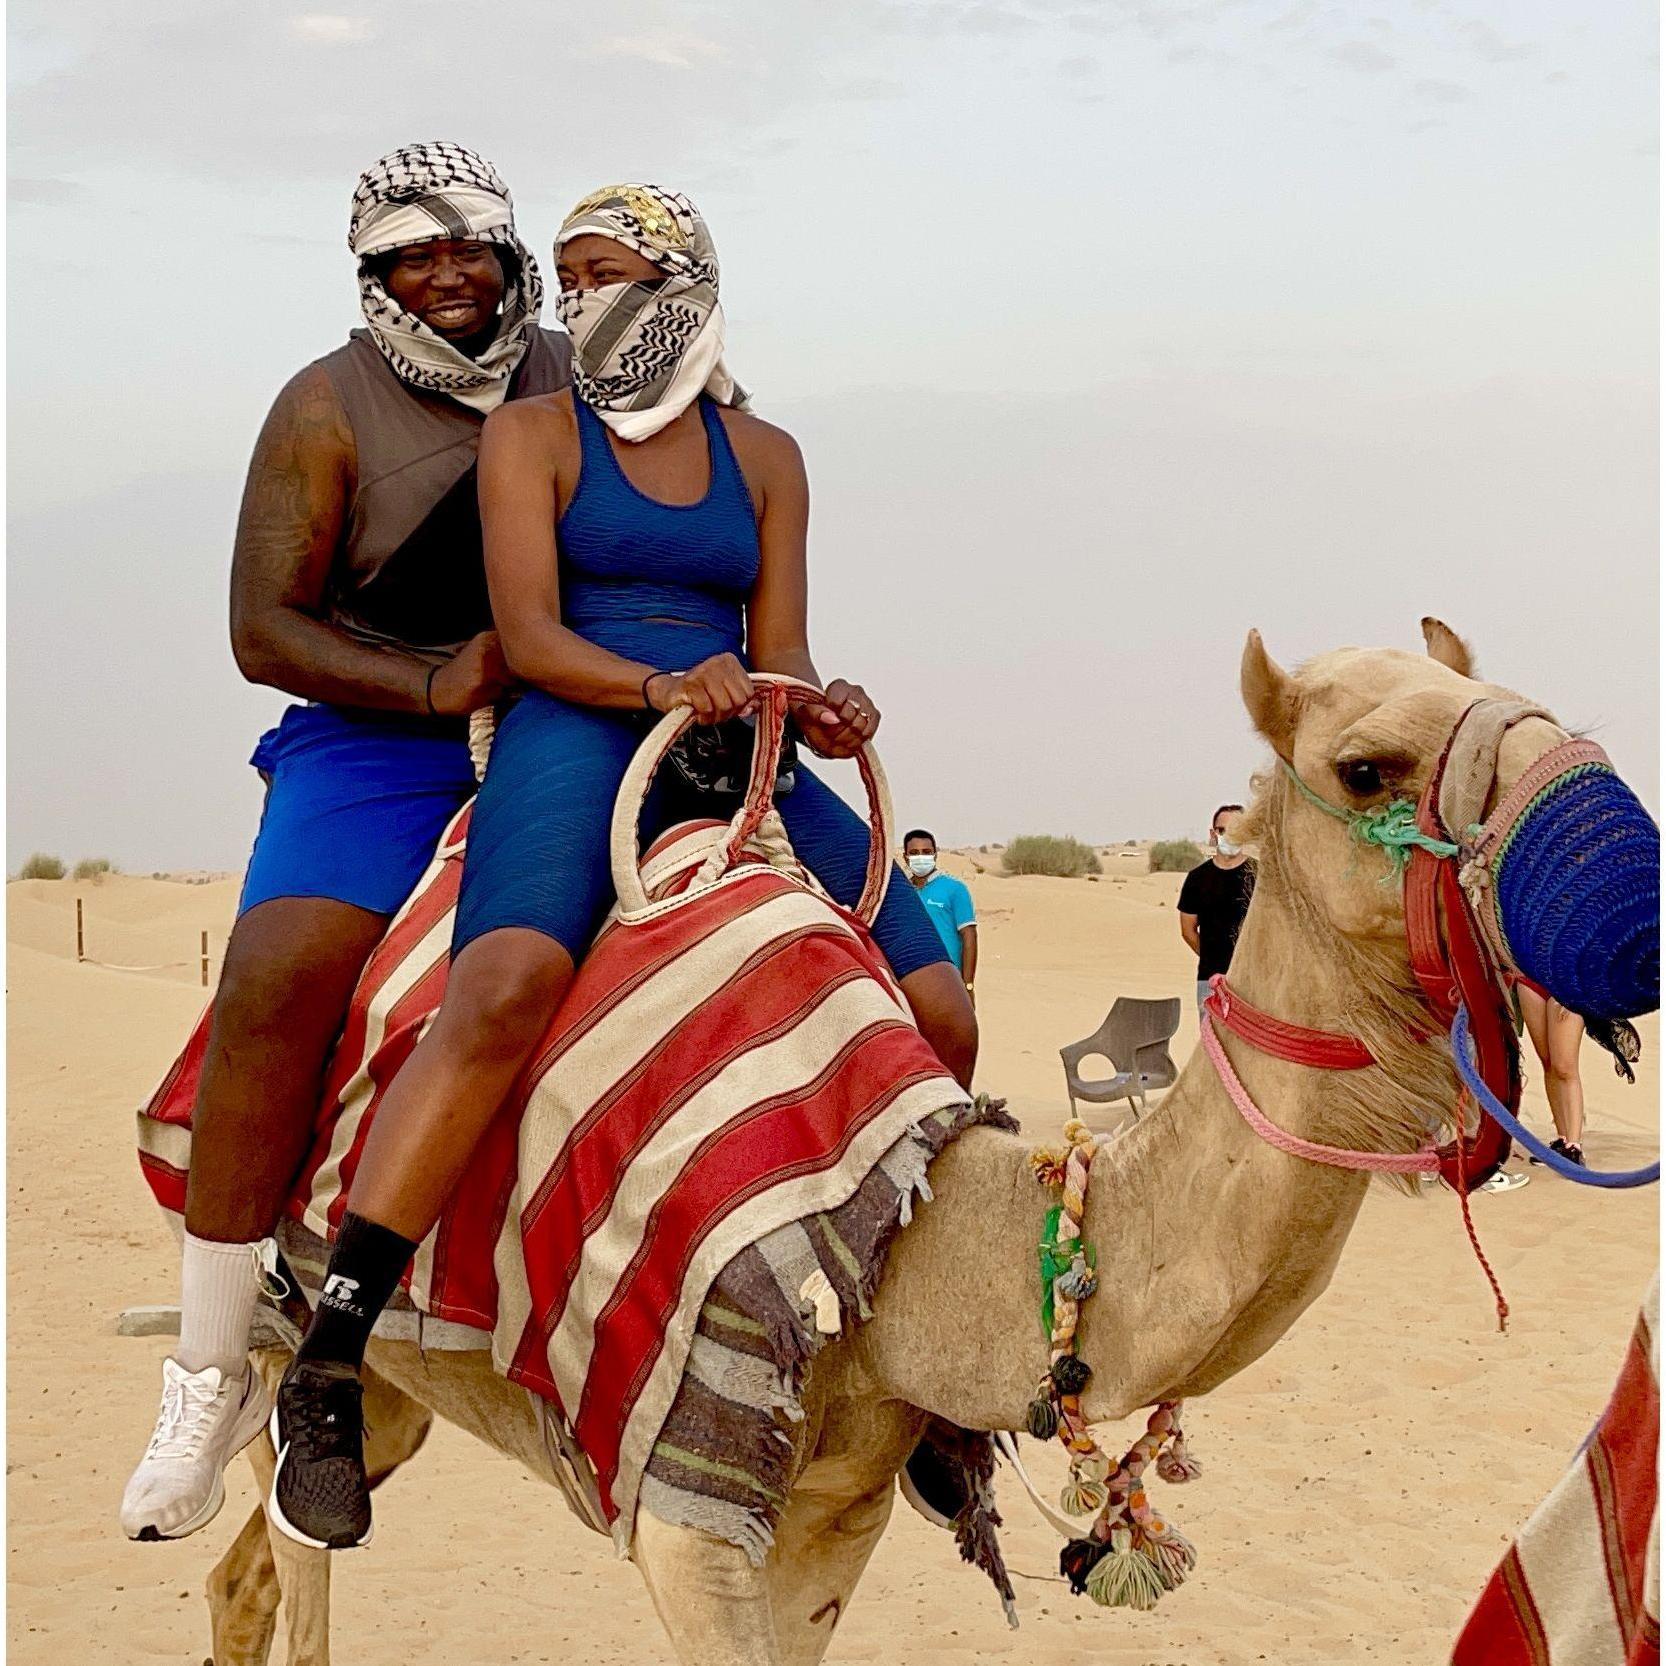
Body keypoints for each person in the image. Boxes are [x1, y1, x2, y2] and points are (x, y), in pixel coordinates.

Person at [265, 183, 978, 1551]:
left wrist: (822, 705)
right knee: (505, 987)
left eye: (612, 275)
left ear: (685, 282)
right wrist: (656, 684)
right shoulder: (534, 433)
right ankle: (330, 1355)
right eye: (571, 279)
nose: (583, 303)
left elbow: (783, 648)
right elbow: (527, 632)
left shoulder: (765, 453)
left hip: (733, 725)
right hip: (583, 718)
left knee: (936, 1005)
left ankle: (929, 1359)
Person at [120, 143, 571, 1542]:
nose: (450, 275)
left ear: (511, 257)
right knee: (278, 974)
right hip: (382, 732)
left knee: (810, 917)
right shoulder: (324, 405)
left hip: (575, 707)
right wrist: (440, 684)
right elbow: (266, 629)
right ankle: (210, 1367)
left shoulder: (584, 366)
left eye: (472, 252)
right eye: (415, 259)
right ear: (374, 275)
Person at [1178, 804, 1256, 1012]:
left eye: (1235, 830)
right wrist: (1212, 956)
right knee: (1210, 1042)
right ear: (1213, 834)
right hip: (1210, 981)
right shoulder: (1197, 878)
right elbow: (1188, 930)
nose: (1228, 836)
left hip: (1255, 984)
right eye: (1222, 831)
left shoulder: (1261, 876)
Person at [1517, 979, 1587, 1167]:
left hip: (1566, 980)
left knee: (1564, 1066)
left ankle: (1574, 1146)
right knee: (1548, 1063)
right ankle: (1563, 1139)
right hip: (1529, 977)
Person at [903, 830, 977, 1004]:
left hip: (949, 982)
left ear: (935, 855)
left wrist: (968, 985)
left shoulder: (955, 889)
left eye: (926, 852)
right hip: (910, 982)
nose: (921, 857)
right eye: (914, 853)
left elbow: (969, 936)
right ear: (905, 858)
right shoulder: (903, 891)